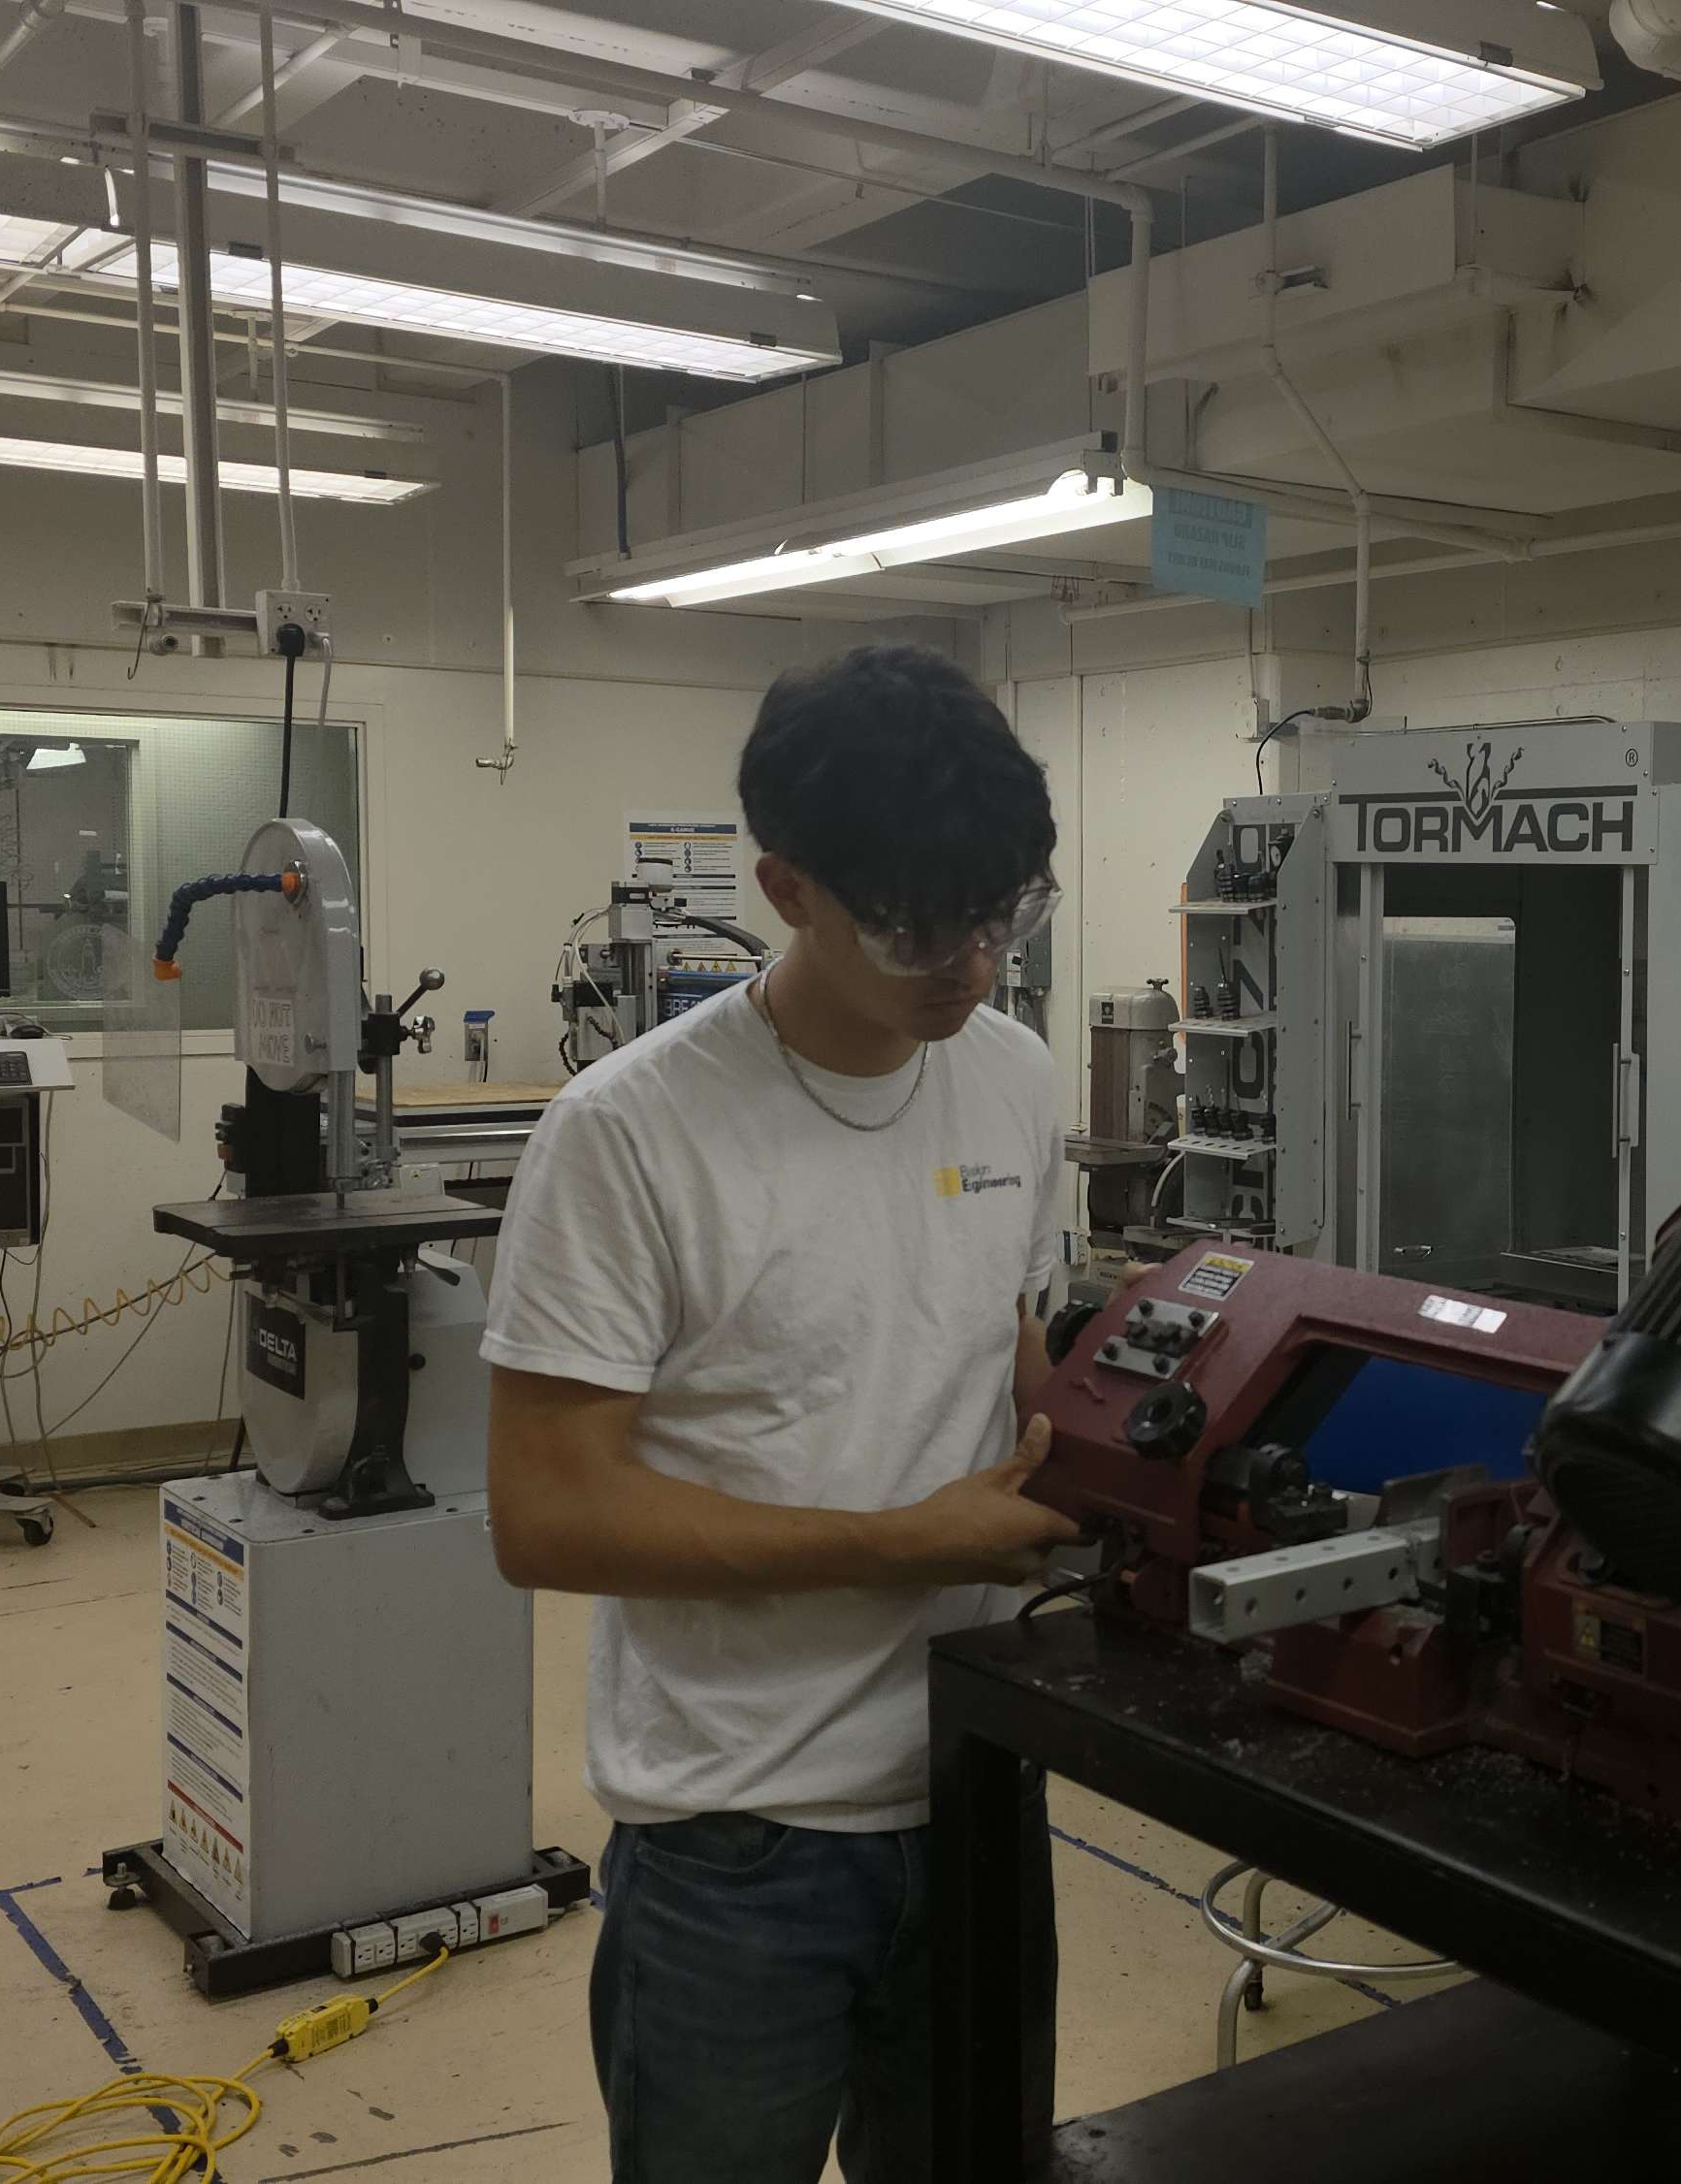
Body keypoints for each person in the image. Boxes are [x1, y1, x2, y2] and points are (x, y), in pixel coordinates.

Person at [482, 642, 1084, 2183]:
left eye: (1001, 918)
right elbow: (549, 1513)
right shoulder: (627, 1134)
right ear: (786, 889)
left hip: (980, 1779)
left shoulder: (1014, 1078)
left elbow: (1006, 1339)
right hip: (739, 1839)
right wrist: (896, 1544)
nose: (968, 967)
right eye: (916, 928)